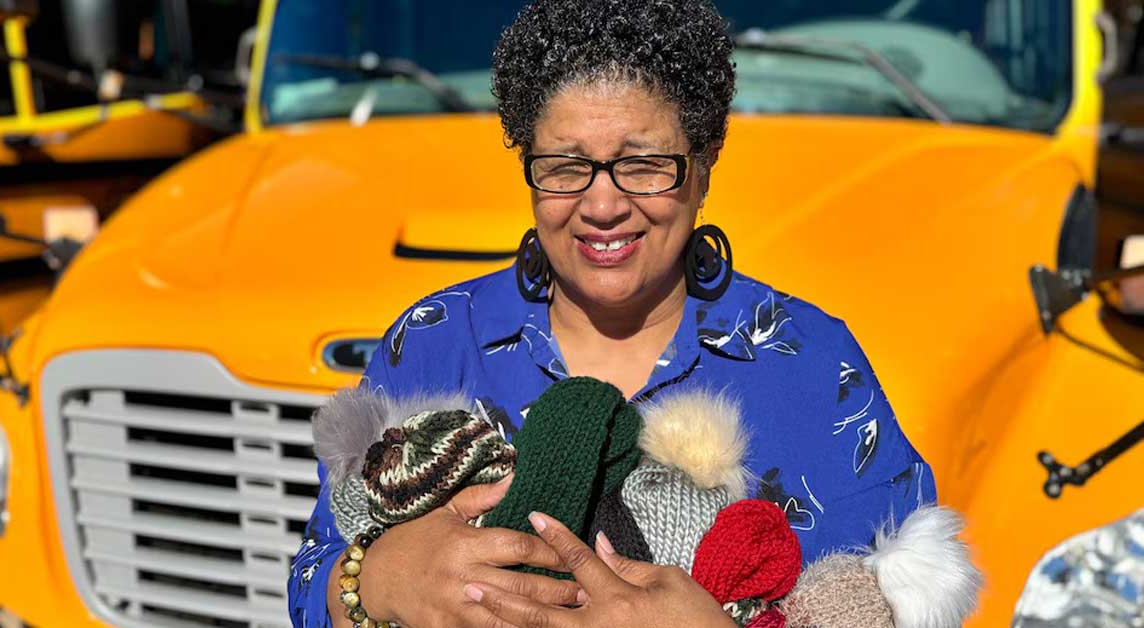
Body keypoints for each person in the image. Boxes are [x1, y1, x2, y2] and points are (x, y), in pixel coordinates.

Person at [288, 1, 936, 626]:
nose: (602, 206)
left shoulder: (813, 366)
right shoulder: (434, 340)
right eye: (567, 167)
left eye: (644, 165)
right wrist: (376, 579)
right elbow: (313, 573)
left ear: (703, 168)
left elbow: (910, 604)